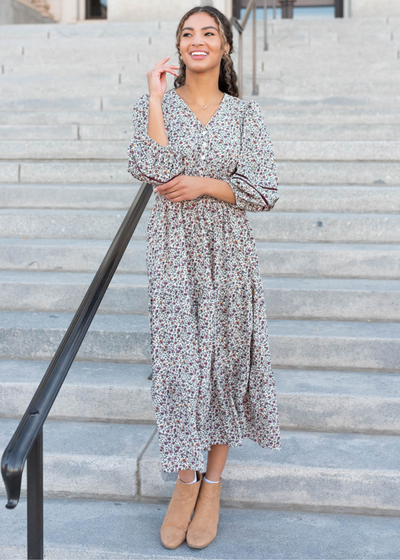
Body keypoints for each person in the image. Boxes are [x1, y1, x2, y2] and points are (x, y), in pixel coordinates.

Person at [127, 5, 281, 550]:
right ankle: (184, 480)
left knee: (224, 365)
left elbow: (264, 190)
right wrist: (152, 97)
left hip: (230, 256)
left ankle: (211, 485)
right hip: (173, 254)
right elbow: (148, 165)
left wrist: (205, 184)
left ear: (225, 47)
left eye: (208, 33)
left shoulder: (246, 115)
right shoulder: (160, 106)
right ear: (179, 47)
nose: (198, 41)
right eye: (187, 33)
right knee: (179, 368)